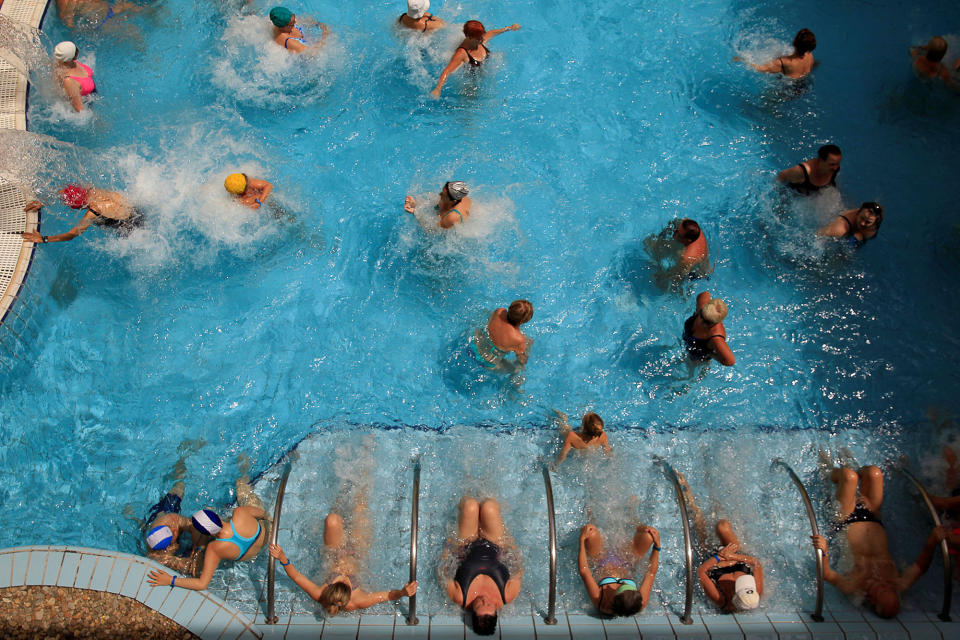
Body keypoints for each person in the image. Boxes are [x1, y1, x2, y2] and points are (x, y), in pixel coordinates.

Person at [812, 460, 946, 618]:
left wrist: (825, 551)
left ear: (873, 601)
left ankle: (827, 474)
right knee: (874, 473)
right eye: (889, 588)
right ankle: (850, 463)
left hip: (845, 520)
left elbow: (827, 574)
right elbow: (920, 566)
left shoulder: (854, 586)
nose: (884, 584)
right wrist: (932, 540)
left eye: (882, 590)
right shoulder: (898, 583)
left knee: (849, 477)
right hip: (873, 516)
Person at [268, 501, 416, 613]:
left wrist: (282, 558)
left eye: (340, 580)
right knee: (360, 506)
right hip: (358, 552)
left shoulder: (320, 594)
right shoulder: (358, 601)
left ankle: (341, 495)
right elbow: (387, 596)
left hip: (335, 552)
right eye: (347, 582)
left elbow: (297, 577)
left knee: (332, 519)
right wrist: (403, 592)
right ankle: (363, 472)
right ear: (350, 594)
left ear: (330, 587)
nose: (344, 576)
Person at [146, 474, 270, 591]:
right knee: (241, 484)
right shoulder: (240, 513)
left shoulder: (214, 548)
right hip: (268, 536)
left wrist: (170, 580)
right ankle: (244, 468)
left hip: (250, 556)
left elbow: (201, 584)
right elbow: (263, 514)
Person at [679, 474, 763, 612]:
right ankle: (714, 484)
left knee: (698, 517)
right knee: (722, 525)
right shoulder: (755, 594)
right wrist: (733, 557)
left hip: (712, 558)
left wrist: (719, 557)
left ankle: (685, 488)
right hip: (733, 554)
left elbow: (701, 572)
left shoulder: (720, 599)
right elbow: (756, 564)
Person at [442, 497, 523, 635]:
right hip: (496, 544)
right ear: (496, 609)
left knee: (470, 506)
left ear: (473, 610)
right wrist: (509, 541)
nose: (485, 599)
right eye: (489, 605)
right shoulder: (507, 595)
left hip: (465, 544)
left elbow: (443, 571)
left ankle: (465, 484)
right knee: (489, 506)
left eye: (480, 604)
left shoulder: (460, 596)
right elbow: (517, 566)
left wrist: (449, 546)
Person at [577, 521, 660, 616]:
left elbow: (584, 571)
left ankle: (589, 511)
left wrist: (582, 540)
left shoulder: (600, 600)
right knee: (649, 535)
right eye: (630, 587)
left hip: (600, 560)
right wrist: (657, 546)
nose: (624, 582)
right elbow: (651, 572)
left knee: (590, 530)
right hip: (627, 561)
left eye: (621, 587)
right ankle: (633, 518)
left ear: (614, 599)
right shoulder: (640, 601)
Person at [20, 185, 138, 245]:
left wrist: (44, 239)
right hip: (136, 210)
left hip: (129, 226)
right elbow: (65, 191)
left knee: (98, 221)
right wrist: (44, 201)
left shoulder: (93, 211)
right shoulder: (91, 190)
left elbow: (71, 235)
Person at [142, 465, 205, 577]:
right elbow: (190, 568)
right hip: (168, 551)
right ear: (166, 547)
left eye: (169, 529)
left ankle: (181, 464)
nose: (174, 528)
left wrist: (197, 546)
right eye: (172, 533)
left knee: (179, 487)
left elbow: (194, 525)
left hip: (165, 511)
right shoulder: (158, 557)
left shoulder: (170, 520)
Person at [431, 20, 522, 97]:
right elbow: (447, 71)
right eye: (479, 38)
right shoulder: (462, 53)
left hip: (483, 77)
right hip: (470, 84)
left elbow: (492, 32)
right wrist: (438, 89)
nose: (482, 39)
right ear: (469, 37)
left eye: (482, 35)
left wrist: (509, 28)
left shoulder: (481, 38)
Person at [646, 218, 711, 288]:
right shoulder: (690, 227)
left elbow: (675, 276)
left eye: (678, 233)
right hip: (694, 261)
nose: (674, 231)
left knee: (661, 284)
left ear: (688, 240)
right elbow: (675, 221)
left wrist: (660, 275)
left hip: (696, 276)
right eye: (677, 229)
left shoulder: (686, 258)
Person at [469, 300, 533, 370]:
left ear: (509, 308)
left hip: (473, 344)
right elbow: (521, 360)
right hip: (486, 361)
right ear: (522, 321)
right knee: (515, 370)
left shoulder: (499, 311)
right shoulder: (519, 340)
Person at [682, 292, 735, 366]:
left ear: (716, 323)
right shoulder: (704, 308)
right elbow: (704, 294)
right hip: (687, 343)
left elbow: (730, 361)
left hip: (698, 360)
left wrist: (710, 353)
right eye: (702, 316)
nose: (701, 323)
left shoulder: (716, 338)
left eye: (708, 322)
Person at [749, 28, 816, 79]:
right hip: (804, 86)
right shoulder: (810, 56)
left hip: (787, 90)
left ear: (794, 41)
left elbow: (760, 68)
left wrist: (744, 59)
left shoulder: (783, 63)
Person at [777, 144, 841, 196]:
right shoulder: (800, 171)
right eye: (831, 164)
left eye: (837, 164)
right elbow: (780, 177)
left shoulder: (835, 168)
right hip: (796, 194)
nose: (835, 168)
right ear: (821, 161)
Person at [404, 180, 470, 229]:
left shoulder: (452, 217)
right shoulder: (457, 195)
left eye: (444, 195)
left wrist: (415, 213)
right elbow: (436, 206)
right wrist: (416, 203)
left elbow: (433, 230)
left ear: (453, 201)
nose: (440, 194)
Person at [816, 202, 883, 249]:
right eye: (862, 218)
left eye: (867, 222)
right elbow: (817, 235)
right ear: (858, 212)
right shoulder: (839, 229)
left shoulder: (873, 226)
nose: (862, 223)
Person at [53, 41, 95, 113]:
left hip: (91, 94)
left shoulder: (68, 62)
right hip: (87, 103)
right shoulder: (69, 81)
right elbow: (79, 110)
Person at [55, 0, 142, 29]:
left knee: (137, 8)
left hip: (110, 10)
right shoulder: (68, 2)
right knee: (135, 34)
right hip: (101, 24)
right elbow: (66, 21)